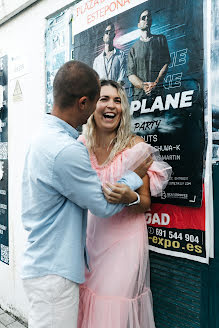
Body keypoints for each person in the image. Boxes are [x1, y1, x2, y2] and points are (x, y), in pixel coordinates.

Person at [21, 61, 153, 328]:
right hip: (57, 268)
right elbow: (102, 207)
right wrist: (132, 175)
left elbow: (144, 200)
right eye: (99, 99)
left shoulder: (44, 136)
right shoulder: (71, 148)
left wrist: (135, 195)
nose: (105, 106)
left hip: (70, 259)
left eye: (117, 100)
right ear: (84, 103)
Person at [78, 80, 172, 328]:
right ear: (90, 106)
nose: (111, 106)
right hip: (90, 240)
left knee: (115, 310)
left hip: (125, 243)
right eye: (104, 99)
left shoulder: (135, 147)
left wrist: (130, 198)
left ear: (124, 109)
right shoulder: (80, 147)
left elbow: (145, 203)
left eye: (117, 100)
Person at [127, 9, 170, 104]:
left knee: (160, 119)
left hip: (158, 95)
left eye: (148, 17)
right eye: (143, 18)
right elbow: (130, 74)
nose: (147, 19)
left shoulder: (160, 39)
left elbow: (166, 63)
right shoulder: (133, 49)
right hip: (139, 98)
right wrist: (144, 86)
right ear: (138, 24)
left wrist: (156, 83)